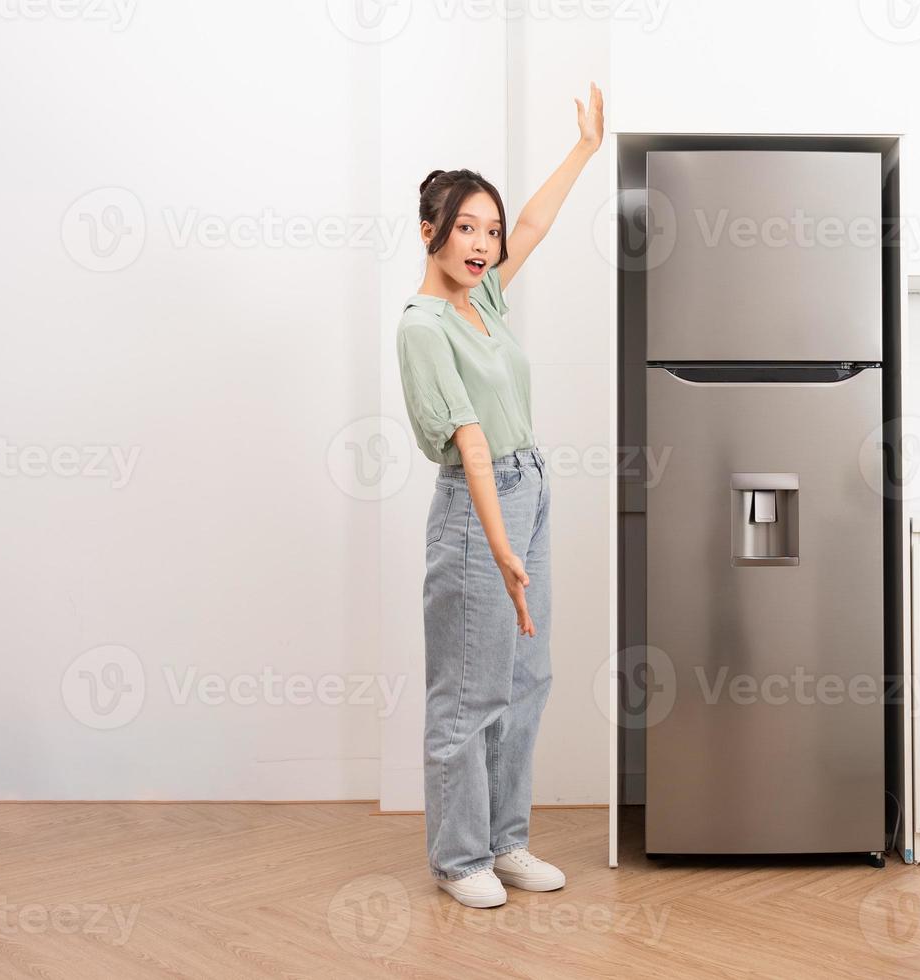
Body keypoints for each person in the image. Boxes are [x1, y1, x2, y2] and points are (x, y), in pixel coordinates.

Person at [395, 84, 604, 909]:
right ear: (428, 233)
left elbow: (535, 228)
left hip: (529, 485)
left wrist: (585, 149)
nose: (483, 243)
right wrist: (503, 548)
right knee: (467, 691)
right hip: (475, 505)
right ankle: (457, 860)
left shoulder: (480, 299)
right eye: (464, 229)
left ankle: (504, 842)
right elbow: (470, 442)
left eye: (487, 228)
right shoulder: (423, 324)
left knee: (526, 677)